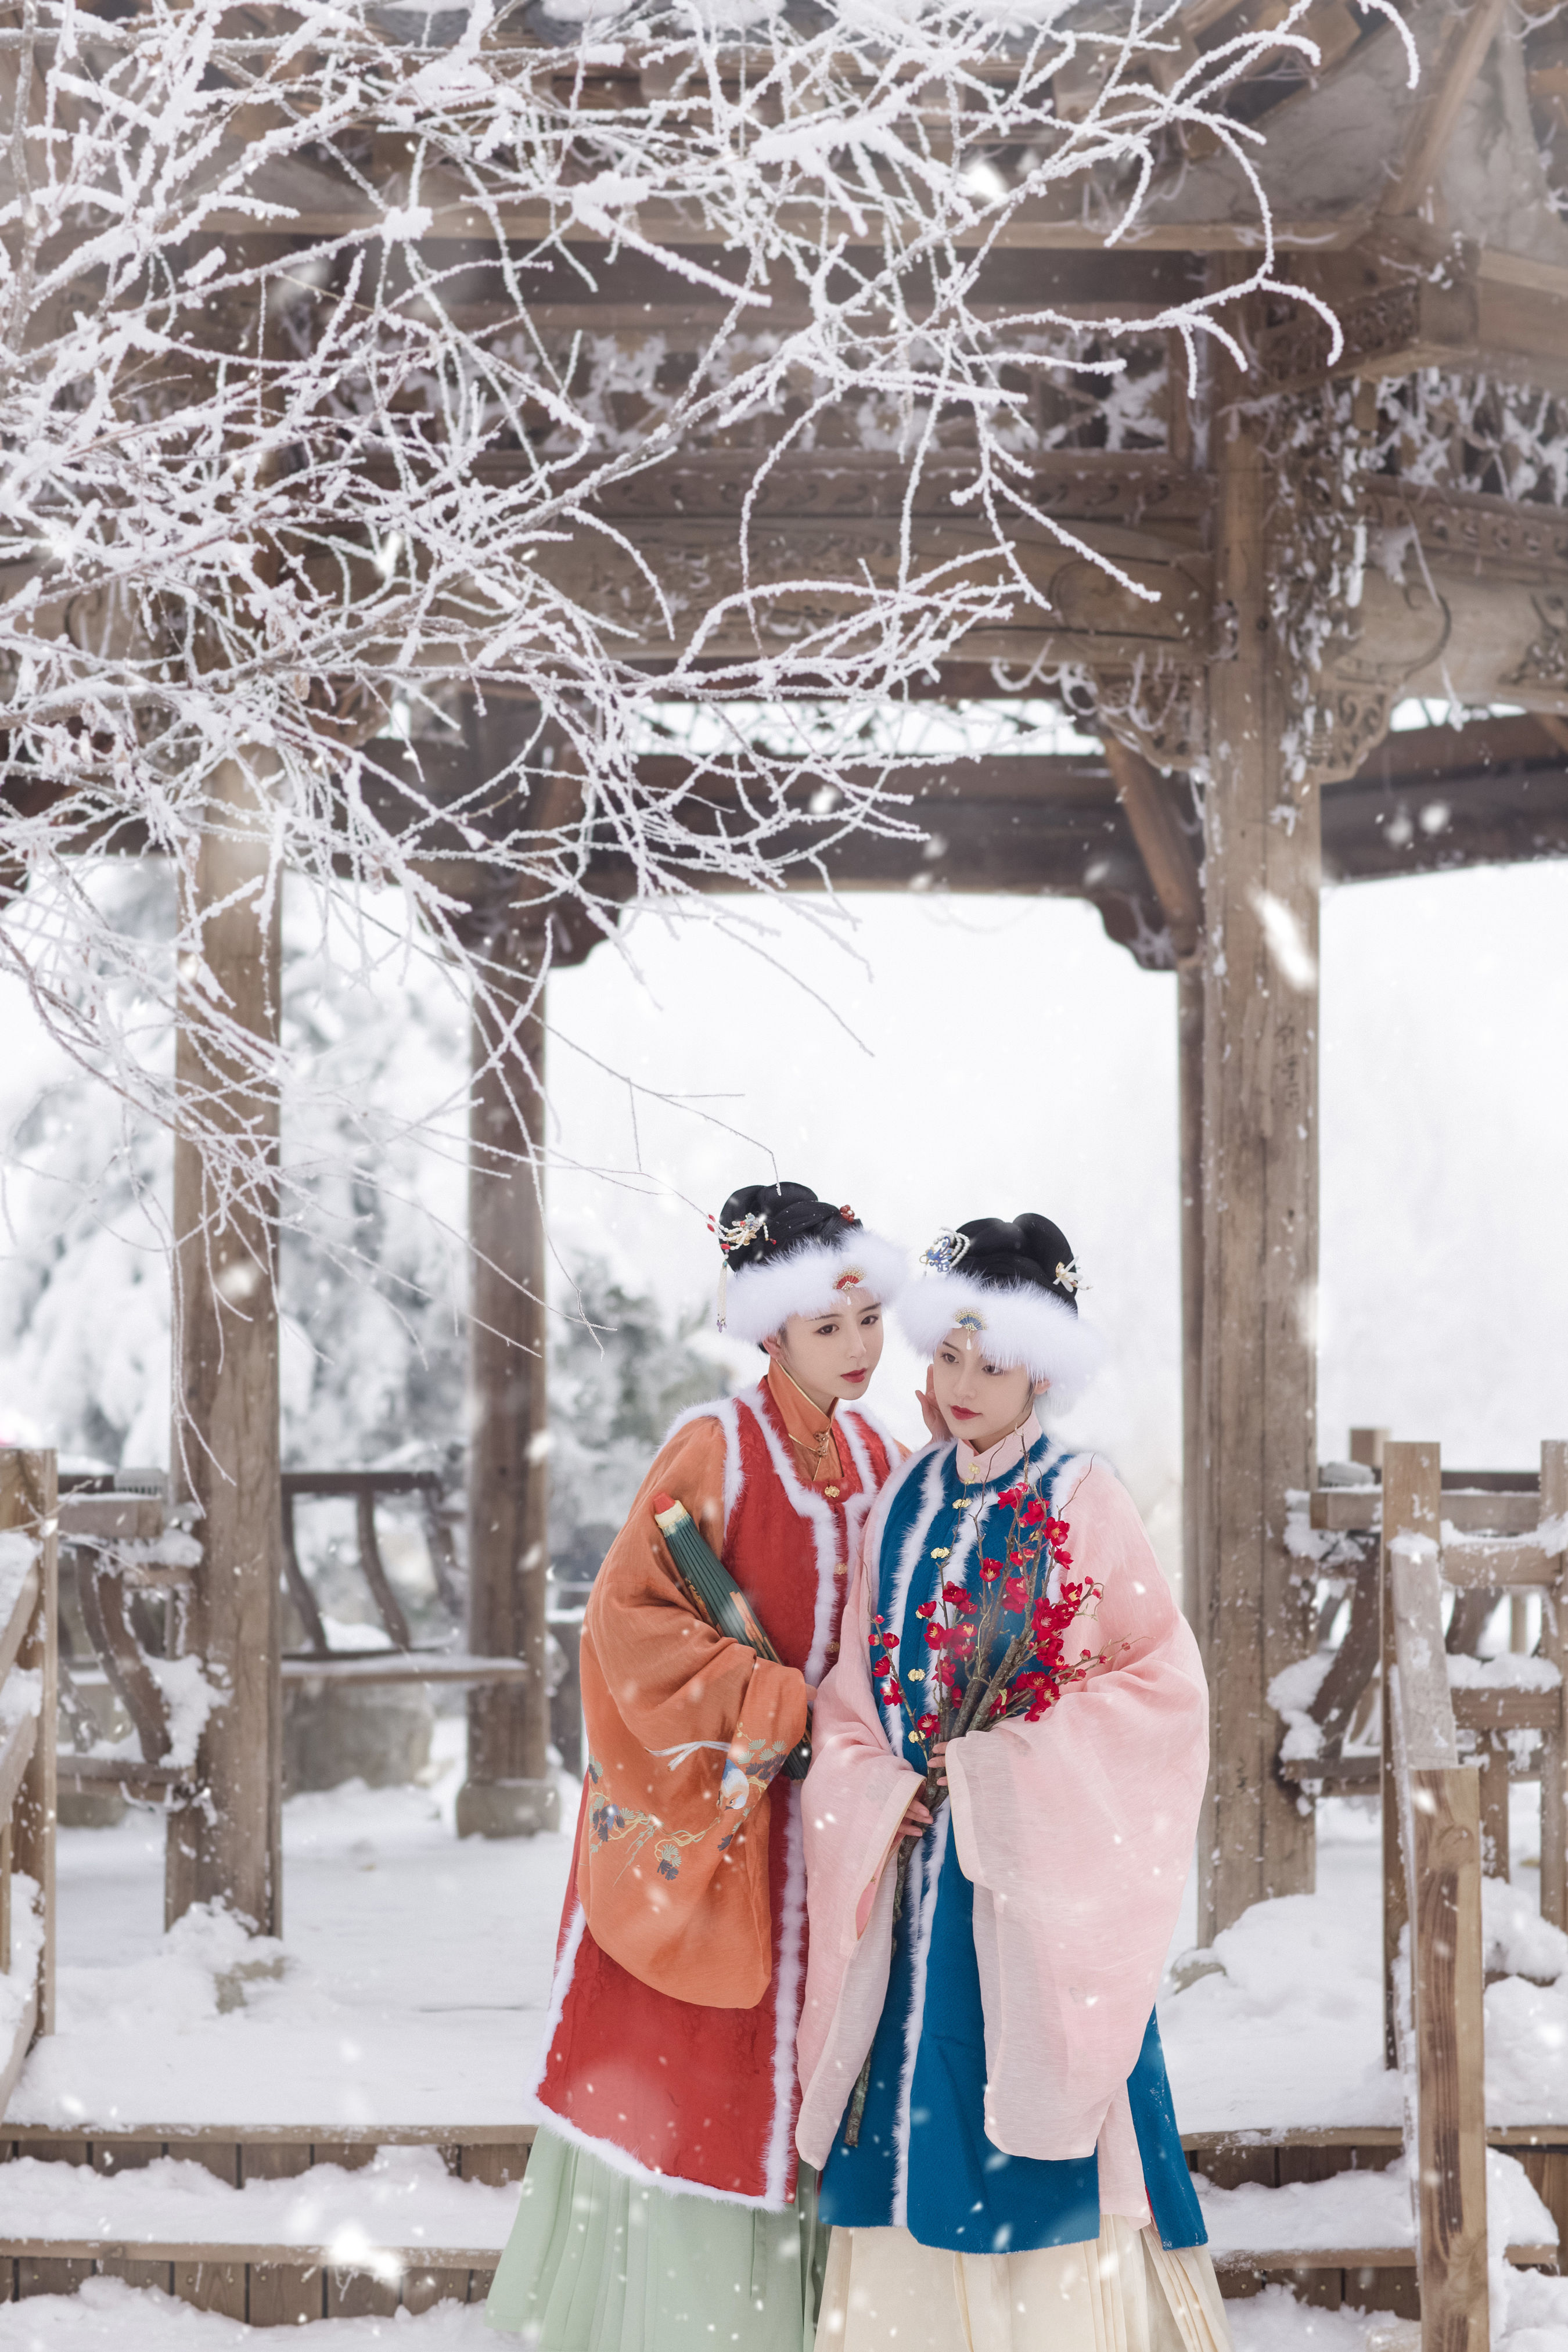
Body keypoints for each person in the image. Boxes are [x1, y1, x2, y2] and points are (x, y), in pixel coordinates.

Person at [794, 1214, 1229, 2352]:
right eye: (949, 1354)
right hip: (912, 1884)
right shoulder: (905, 1502)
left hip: (1025, 1892)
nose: (966, 1382)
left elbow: (1160, 1693)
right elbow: (848, 1699)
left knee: (1029, 2125)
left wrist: (999, 1771)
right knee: (907, 2129)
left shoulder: (1083, 1498)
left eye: (995, 1359)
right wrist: (890, 1789)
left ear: (1044, 1364)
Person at [487, 1182, 909, 2351]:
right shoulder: (714, 1447)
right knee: (695, 2088)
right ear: (769, 1331)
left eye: (869, 1320)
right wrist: (773, 1708)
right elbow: (627, 1626)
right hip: (720, 1825)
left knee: (827, 2079)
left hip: (836, 1834)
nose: (859, 1349)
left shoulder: (887, 1453)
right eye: (829, 1329)